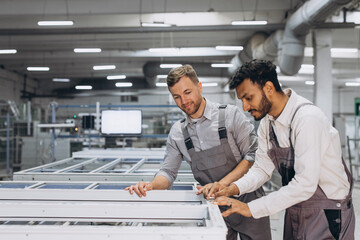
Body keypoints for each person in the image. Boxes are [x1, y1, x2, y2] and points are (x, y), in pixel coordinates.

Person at [213, 59, 355, 240]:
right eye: (242, 100)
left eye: (249, 98)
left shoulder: (307, 119)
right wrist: (232, 188)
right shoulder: (267, 123)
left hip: (328, 213)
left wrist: (251, 208)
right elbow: (262, 169)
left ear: (269, 88)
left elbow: (305, 184)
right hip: (296, 206)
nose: (245, 107)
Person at [125, 64, 271, 240]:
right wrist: (151, 185)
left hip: (249, 203)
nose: (184, 101)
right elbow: (168, 172)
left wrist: (222, 185)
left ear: (199, 87)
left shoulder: (230, 116)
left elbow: (253, 156)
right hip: (215, 208)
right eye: (177, 97)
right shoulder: (178, 133)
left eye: (188, 92)